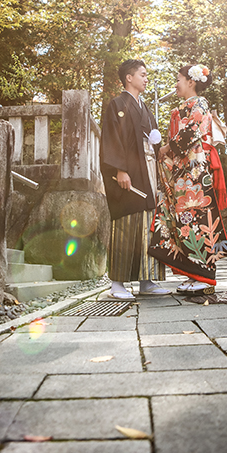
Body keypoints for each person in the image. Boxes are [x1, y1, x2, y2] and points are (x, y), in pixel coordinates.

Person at [148, 64, 227, 293]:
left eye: (178, 79)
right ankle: (194, 273)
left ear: (191, 82)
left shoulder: (199, 103)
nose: (176, 84)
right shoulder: (187, 105)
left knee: (196, 217)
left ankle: (204, 275)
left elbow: (189, 133)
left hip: (195, 168)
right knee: (185, 219)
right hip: (186, 168)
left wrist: (166, 148)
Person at [100, 59, 169, 300]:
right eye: (143, 74)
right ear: (129, 78)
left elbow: (153, 140)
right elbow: (111, 139)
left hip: (147, 169)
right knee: (126, 222)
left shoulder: (145, 107)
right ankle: (117, 283)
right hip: (129, 170)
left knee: (148, 222)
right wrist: (119, 169)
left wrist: (158, 143)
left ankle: (147, 280)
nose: (146, 78)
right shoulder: (117, 105)